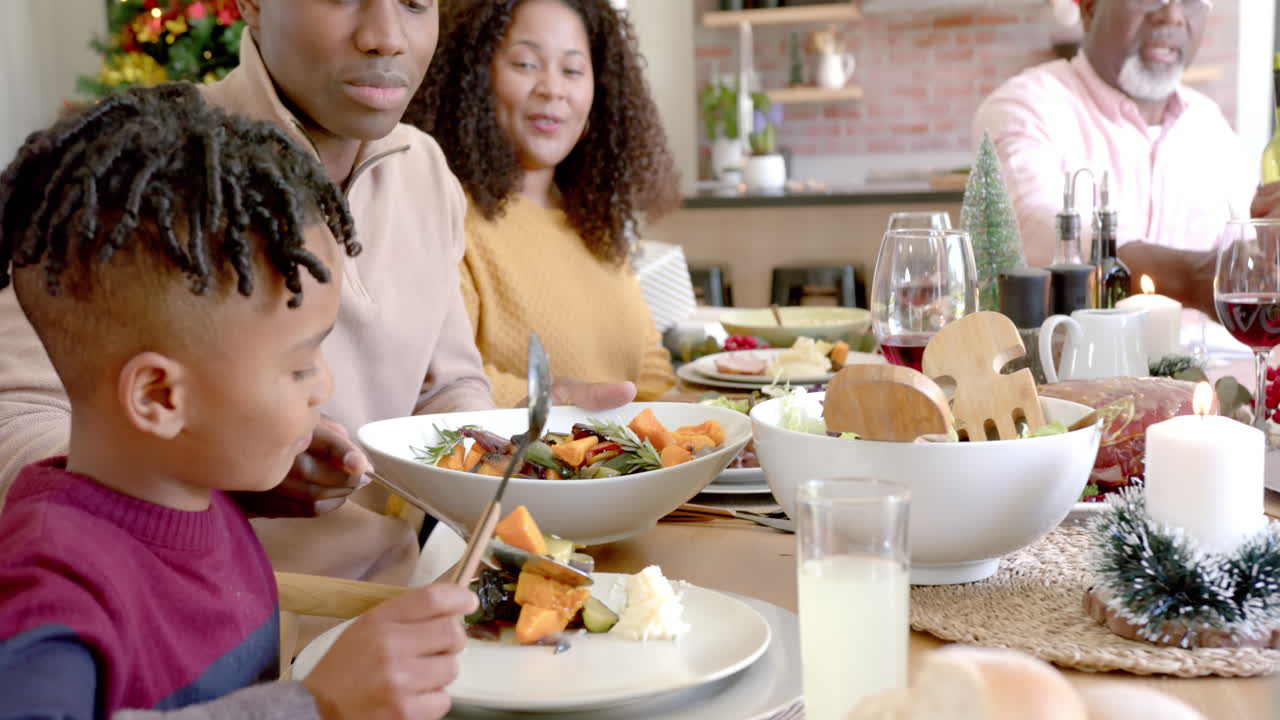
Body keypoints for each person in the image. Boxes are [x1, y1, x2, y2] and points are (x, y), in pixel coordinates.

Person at [0, 0, 633, 587]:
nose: (386, 36)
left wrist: (517, 437)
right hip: (208, 637)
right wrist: (219, 468)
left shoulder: (424, 169)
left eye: (415, 1)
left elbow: (445, 389)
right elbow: (16, 426)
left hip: (395, 609)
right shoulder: (148, 168)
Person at [0, 84, 475, 720]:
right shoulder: (53, 589)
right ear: (161, 396)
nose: (325, 387)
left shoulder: (207, 504)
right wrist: (315, 704)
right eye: (302, 365)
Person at [408, 0, 681, 407]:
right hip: (513, 466)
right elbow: (431, 377)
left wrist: (713, 423)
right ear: (475, 75)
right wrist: (551, 401)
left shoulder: (595, 223)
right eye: (525, 64)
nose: (553, 89)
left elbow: (650, 373)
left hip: (623, 467)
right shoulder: (446, 212)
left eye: (572, 70)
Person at [972, 0, 1276, 313]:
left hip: (1219, 363)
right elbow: (1036, 231)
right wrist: (1195, 277)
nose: (1172, 14)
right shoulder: (1023, 107)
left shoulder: (1210, 125)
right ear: (1089, 8)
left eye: (1191, 1)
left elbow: (1255, 243)